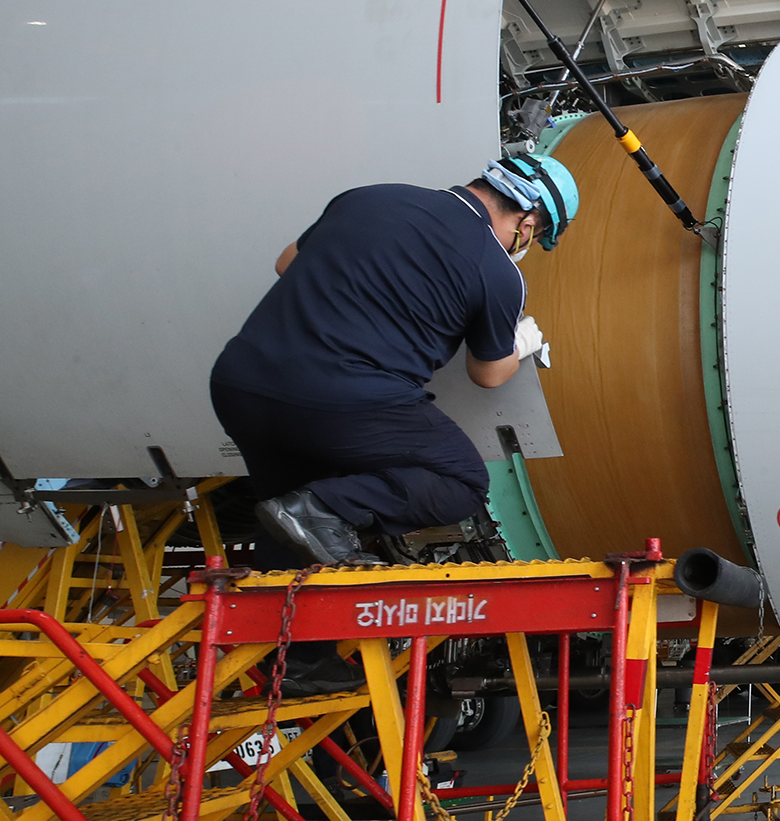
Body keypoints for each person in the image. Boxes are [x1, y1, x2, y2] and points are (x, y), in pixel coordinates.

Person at [210, 155, 579, 567]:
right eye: (534, 236)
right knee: (462, 483)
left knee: (290, 522)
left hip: (240, 384)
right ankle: (324, 513)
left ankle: (276, 605)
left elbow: (286, 263)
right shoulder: (497, 271)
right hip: (341, 400)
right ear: (527, 224)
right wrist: (520, 342)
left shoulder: (371, 198)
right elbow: (488, 373)